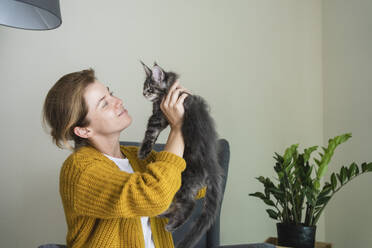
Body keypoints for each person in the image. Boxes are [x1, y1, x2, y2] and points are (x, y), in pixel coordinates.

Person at [42, 68, 205, 248]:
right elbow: (155, 196)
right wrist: (177, 128)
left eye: (111, 94)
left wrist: (189, 123)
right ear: (83, 130)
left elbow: (198, 186)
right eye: (104, 104)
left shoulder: (138, 157)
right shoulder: (79, 170)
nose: (118, 101)